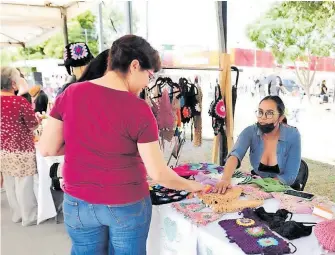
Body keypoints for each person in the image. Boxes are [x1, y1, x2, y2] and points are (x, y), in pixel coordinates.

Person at [38, 35, 204, 255]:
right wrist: (195, 186)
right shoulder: (138, 109)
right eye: (149, 74)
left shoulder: (70, 93)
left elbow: (47, 148)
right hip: (126, 203)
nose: (147, 82)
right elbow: (158, 173)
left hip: (78, 202)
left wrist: (86, 143)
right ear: (135, 65)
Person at [215, 96, 301, 194]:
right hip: (256, 186)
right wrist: (225, 179)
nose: (263, 117)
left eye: (269, 113)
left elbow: (289, 177)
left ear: (280, 117)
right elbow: (235, 155)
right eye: (260, 112)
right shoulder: (250, 131)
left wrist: (259, 185)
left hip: (282, 188)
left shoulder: (293, 135)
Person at [1, 67, 40, 226]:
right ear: (12, 83)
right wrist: (38, 120)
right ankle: (28, 216)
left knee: (9, 182)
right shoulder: (19, 101)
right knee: (23, 182)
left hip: (3, 147)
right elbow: (32, 124)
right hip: (21, 147)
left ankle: (16, 214)